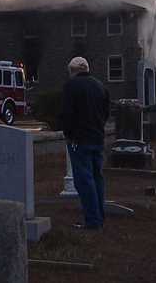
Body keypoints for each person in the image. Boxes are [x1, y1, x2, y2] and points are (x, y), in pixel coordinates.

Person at [60, 56, 110, 231]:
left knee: (84, 180)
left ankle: (92, 221)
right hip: (97, 137)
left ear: (73, 71)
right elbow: (106, 112)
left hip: (79, 140)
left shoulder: (71, 86)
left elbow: (67, 114)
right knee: (97, 178)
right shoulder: (100, 86)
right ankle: (100, 216)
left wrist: (68, 134)